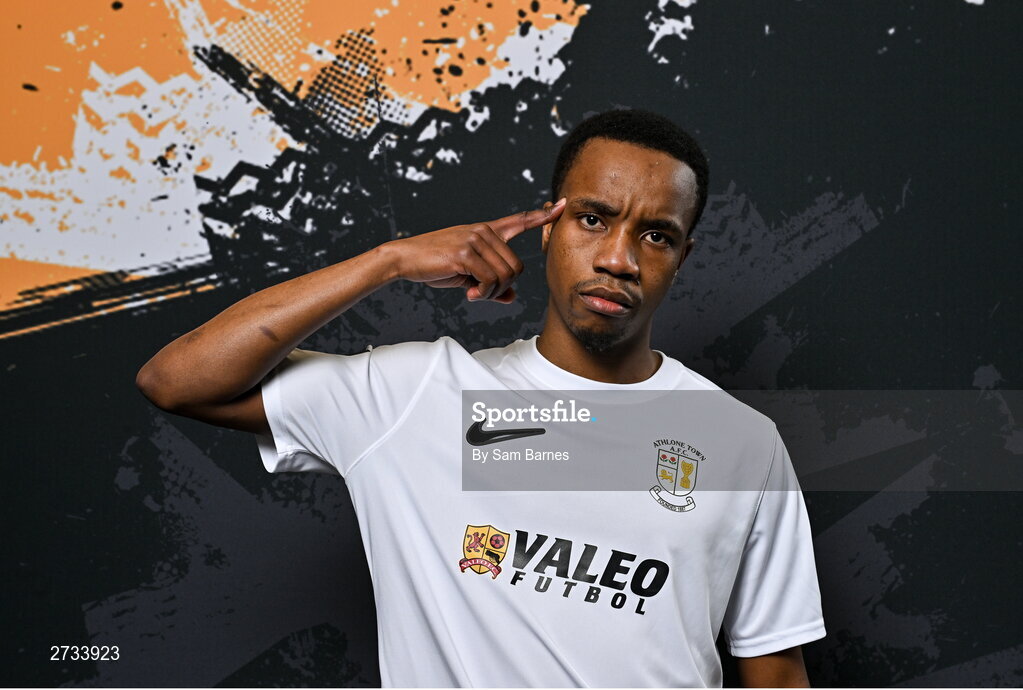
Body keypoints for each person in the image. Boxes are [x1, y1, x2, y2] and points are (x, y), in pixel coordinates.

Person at [137, 108, 826, 687]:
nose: (618, 258)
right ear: (548, 226)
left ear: (682, 258)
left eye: (654, 235)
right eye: (592, 218)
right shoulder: (415, 398)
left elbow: (776, 670)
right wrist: (390, 260)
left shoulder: (739, 442)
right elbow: (176, 380)